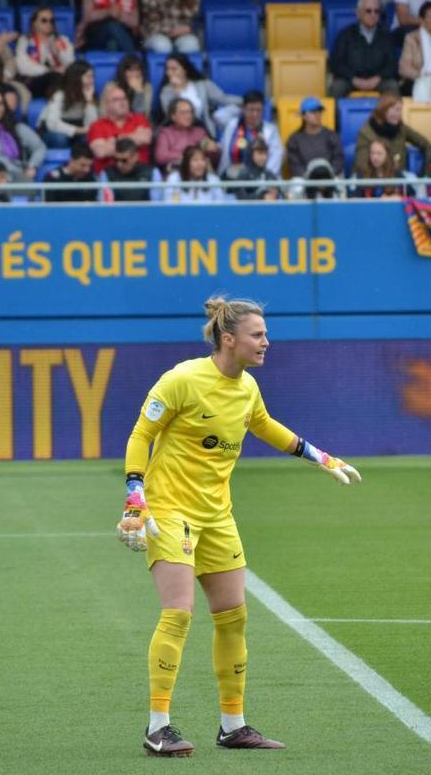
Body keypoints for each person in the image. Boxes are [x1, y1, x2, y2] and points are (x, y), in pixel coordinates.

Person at [118, 296, 361, 758]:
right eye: (258, 334)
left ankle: (233, 726)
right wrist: (136, 497)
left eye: (265, 334)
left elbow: (264, 425)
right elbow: (140, 435)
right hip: (170, 512)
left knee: (234, 617)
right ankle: (158, 728)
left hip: (217, 517)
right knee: (179, 613)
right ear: (228, 338)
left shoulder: (247, 387)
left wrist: (321, 458)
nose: (267, 342)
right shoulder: (182, 379)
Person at [331, 0, 401, 99]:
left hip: (378, 81)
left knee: (392, 86)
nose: (373, 14)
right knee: (336, 88)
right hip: (351, 80)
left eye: (376, 11)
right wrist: (353, 79)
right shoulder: (345, 34)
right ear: (358, 13)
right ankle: (336, 116)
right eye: (368, 11)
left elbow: (392, 65)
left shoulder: (386, 36)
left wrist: (378, 78)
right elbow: (336, 62)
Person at [156, 54, 241, 137]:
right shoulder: (166, 91)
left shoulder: (202, 85)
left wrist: (245, 101)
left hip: (203, 131)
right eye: (167, 69)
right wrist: (177, 91)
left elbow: (223, 98)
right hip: (178, 134)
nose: (169, 73)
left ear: (185, 69)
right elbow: (170, 114)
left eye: (174, 69)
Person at [353, 95, 431, 176]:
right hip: (372, 180)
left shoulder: (401, 128)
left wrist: (425, 173)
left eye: (400, 110)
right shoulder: (365, 133)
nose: (399, 114)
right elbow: (361, 164)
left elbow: (427, 146)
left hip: (398, 180)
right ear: (383, 110)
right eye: (396, 110)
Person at [88, 82, 154, 172]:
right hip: (109, 176)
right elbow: (101, 152)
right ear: (107, 105)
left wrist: (114, 140)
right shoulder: (96, 125)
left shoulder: (140, 119)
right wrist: (133, 138)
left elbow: (145, 139)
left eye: (124, 98)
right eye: (116, 100)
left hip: (140, 174)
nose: (122, 102)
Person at [218, 91, 284, 178]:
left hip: (260, 179)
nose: (254, 114)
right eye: (251, 109)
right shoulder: (233, 125)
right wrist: (239, 108)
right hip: (233, 177)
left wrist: (260, 179)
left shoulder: (270, 131)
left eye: (258, 110)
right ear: (243, 108)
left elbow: (275, 160)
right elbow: (218, 116)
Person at [16, 7, 75, 100]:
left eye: (51, 21)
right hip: (35, 81)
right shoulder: (25, 41)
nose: (48, 24)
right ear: (34, 23)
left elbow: (70, 64)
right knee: (54, 77)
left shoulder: (62, 40)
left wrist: (57, 52)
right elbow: (22, 66)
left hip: (59, 80)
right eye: (44, 20)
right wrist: (48, 70)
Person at [39, 60, 98, 148]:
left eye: (93, 77)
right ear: (77, 78)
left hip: (77, 129)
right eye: (88, 77)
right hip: (52, 131)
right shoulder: (59, 94)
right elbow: (52, 124)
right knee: (60, 139)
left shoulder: (90, 94)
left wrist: (89, 102)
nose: (92, 81)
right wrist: (79, 130)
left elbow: (92, 126)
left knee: (90, 138)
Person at [285, 97, 344, 178]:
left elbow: (339, 158)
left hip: (330, 178)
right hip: (304, 180)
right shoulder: (294, 139)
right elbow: (295, 165)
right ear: (303, 116)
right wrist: (310, 177)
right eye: (313, 111)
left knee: (340, 185)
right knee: (296, 186)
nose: (318, 114)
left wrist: (328, 175)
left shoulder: (332, 135)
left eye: (319, 111)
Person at [155, 99, 219, 171]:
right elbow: (160, 157)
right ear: (173, 116)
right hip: (176, 173)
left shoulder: (200, 132)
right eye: (183, 113)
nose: (188, 116)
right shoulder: (166, 133)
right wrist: (187, 157)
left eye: (190, 112)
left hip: (199, 174)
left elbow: (213, 160)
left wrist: (213, 151)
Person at [77, 0, 141, 52]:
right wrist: (108, 12)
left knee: (113, 43)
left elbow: (135, 22)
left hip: (123, 34)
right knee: (111, 26)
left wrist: (120, 15)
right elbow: (87, 16)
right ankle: (132, 56)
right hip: (97, 35)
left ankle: (131, 57)